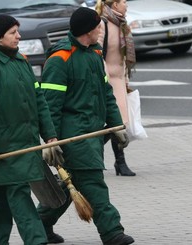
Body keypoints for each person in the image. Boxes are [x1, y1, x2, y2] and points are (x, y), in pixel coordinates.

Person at [37, 7, 135, 245]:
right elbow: (49, 106)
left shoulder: (93, 54)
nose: (101, 30)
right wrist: (51, 140)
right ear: (89, 31)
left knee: (68, 186)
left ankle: (39, 225)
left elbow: (106, 94)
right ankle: (112, 233)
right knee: (92, 183)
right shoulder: (61, 60)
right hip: (74, 136)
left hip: (92, 133)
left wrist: (116, 126)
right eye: (98, 27)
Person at [0, 14, 60, 245]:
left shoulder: (22, 61)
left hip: (25, 144)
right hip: (4, 149)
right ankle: (37, 240)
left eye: (17, 31)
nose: (18, 36)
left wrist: (49, 135)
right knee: (19, 196)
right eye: (13, 32)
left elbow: (39, 101)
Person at [95, 0, 136, 177]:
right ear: (115, 5)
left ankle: (119, 162)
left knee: (119, 124)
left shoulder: (122, 24)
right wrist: (104, 79)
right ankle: (93, 153)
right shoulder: (103, 23)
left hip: (119, 79)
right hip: (107, 80)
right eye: (124, 2)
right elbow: (97, 53)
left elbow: (123, 57)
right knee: (116, 123)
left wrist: (126, 80)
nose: (127, 5)